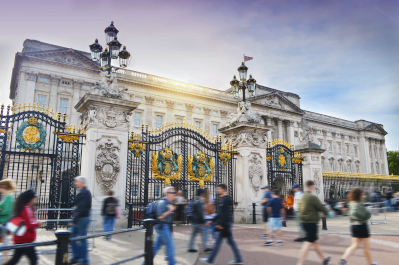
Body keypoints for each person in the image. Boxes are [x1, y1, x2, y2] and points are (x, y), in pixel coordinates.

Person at [199, 183, 243, 265]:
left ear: (223, 189)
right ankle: (238, 259)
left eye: (218, 189)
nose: (217, 190)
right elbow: (219, 213)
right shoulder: (221, 198)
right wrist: (212, 220)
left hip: (225, 224)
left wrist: (221, 224)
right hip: (225, 223)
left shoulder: (226, 199)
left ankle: (210, 260)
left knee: (219, 243)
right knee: (229, 242)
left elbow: (226, 214)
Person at [338, 187, 377, 265]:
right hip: (362, 225)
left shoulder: (351, 203)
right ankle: (370, 263)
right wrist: (368, 210)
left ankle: (343, 259)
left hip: (353, 226)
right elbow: (367, 215)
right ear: (359, 195)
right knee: (366, 247)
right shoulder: (359, 204)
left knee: (355, 245)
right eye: (362, 194)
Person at [296, 180, 330, 265]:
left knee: (315, 242)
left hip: (304, 222)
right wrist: (326, 213)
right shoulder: (312, 197)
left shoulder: (302, 197)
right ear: (312, 187)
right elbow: (321, 207)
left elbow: (299, 209)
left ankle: (324, 260)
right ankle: (300, 263)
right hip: (311, 223)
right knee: (308, 243)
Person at [6, 190, 44, 265]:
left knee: (15, 259)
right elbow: (29, 224)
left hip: (20, 238)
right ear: (31, 198)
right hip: (25, 238)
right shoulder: (26, 208)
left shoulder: (23, 207)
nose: (35, 199)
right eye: (34, 198)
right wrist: (38, 223)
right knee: (34, 259)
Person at [145, 186, 177, 265]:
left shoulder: (168, 202)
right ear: (167, 194)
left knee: (156, 247)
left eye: (174, 193)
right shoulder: (162, 203)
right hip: (162, 227)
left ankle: (145, 263)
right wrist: (169, 210)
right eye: (173, 193)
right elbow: (159, 216)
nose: (174, 194)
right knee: (170, 246)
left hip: (164, 227)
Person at [70, 176, 92, 265]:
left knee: (82, 239)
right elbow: (77, 204)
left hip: (82, 218)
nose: (75, 183)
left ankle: (83, 260)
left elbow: (82, 207)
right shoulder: (82, 192)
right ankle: (77, 257)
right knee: (73, 237)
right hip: (80, 218)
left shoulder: (85, 192)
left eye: (77, 181)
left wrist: (74, 220)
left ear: (82, 183)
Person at [188, 189, 211, 253]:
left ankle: (190, 247)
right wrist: (203, 221)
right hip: (198, 221)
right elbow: (200, 213)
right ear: (201, 194)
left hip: (194, 221)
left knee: (192, 235)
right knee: (203, 234)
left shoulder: (193, 200)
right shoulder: (199, 202)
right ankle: (205, 247)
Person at [0, 179, 15, 263]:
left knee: (4, 241)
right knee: (4, 242)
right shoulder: (6, 196)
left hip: (4, 222)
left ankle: (6, 260)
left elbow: (7, 211)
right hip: (3, 223)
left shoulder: (8, 196)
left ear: (3, 187)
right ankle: (6, 260)